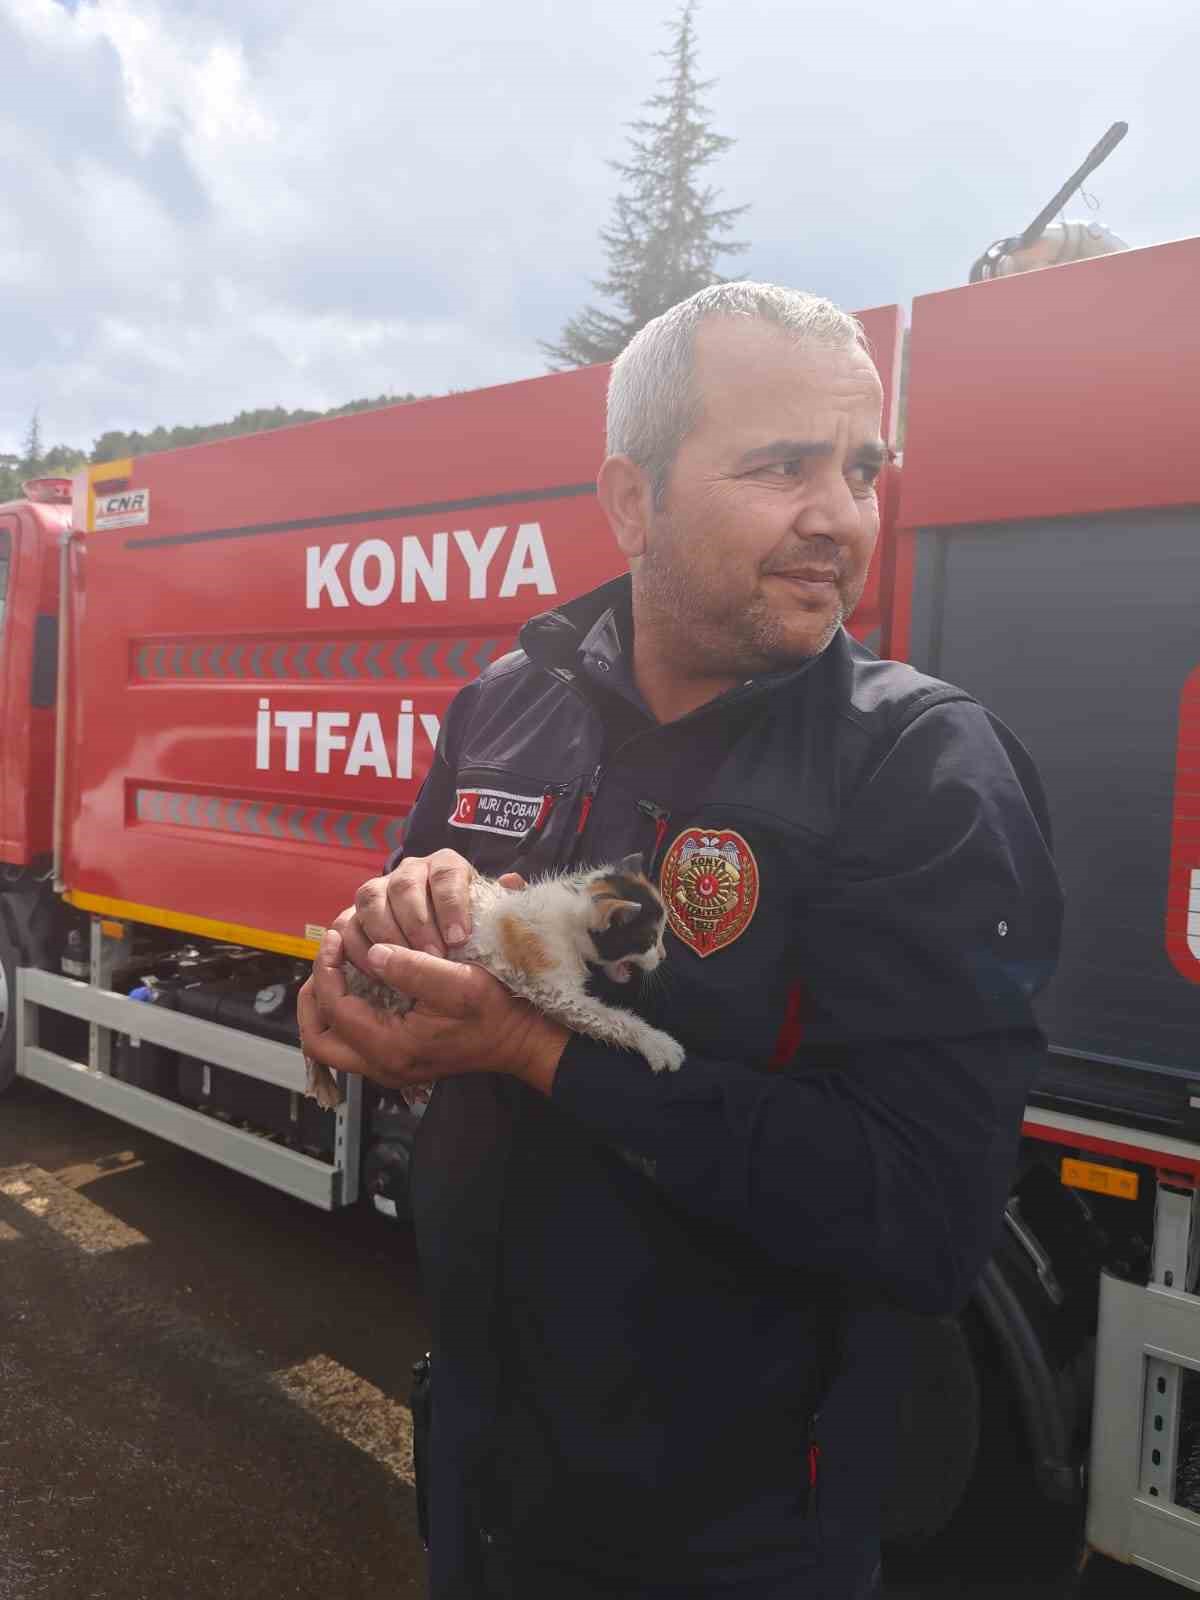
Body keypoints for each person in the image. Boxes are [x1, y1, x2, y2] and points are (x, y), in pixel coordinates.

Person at [298, 282, 1064, 1599]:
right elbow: (406, 966)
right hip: (484, 1480)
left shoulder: (924, 771)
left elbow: (924, 1219)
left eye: (861, 469)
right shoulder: (507, 704)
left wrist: (539, 1051)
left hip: (735, 1543)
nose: (838, 515)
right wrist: (366, 969)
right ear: (632, 498)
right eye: (782, 466)